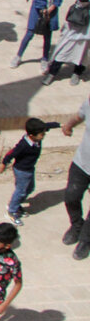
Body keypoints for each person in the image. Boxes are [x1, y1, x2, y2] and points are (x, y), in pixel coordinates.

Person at [0, 118, 60, 226]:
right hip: (21, 170)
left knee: (30, 188)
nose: (43, 136)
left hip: (30, 168)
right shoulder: (23, 145)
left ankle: (16, 204)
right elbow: (11, 153)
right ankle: (12, 211)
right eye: (42, 134)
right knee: (21, 191)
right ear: (32, 136)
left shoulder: (37, 134)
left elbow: (47, 125)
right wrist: (3, 163)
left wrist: (59, 125)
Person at [44, 0, 90, 85]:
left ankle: (77, 73)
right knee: (64, 49)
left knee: (86, 53)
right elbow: (80, 2)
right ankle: (52, 73)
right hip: (78, 23)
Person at [62, 100, 90, 260]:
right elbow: (80, 116)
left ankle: (86, 240)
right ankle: (76, 225)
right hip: (81, 163)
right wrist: (69, 125)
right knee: (71, 197)